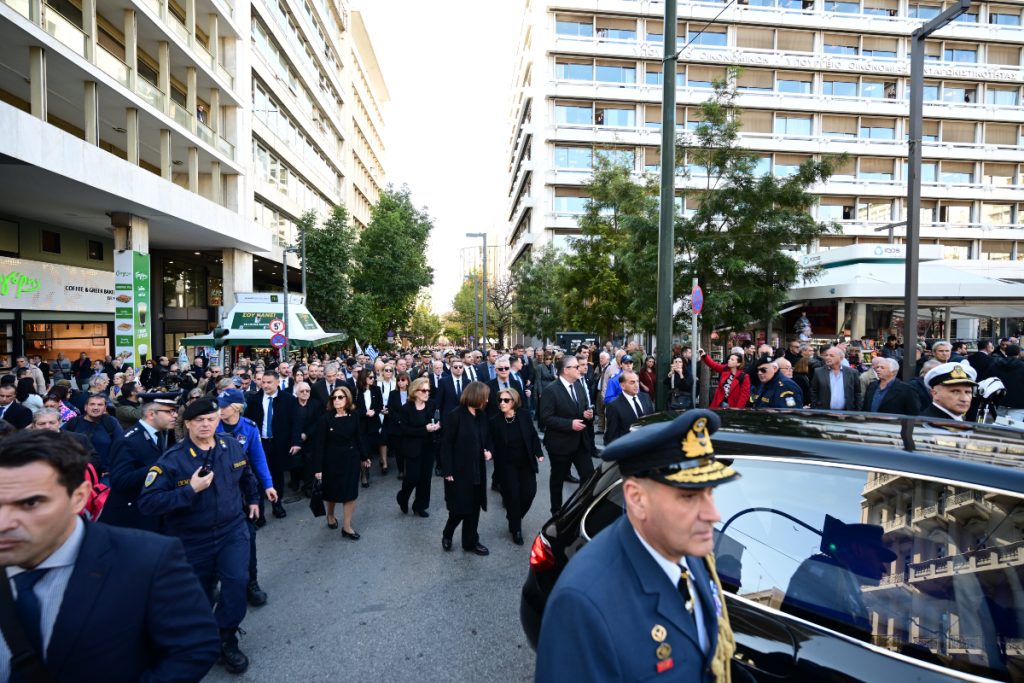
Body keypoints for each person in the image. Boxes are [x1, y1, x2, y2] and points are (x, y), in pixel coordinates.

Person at [535, 410, 740, 682]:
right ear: (637, 499)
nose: (713, 515)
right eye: (689, 498)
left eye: (710, 493)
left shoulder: (689, 547)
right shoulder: (583, 603)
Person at [0, 430, 220, 682]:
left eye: (30, 504)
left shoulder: (148, 558)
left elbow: (194, 647)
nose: (4, 523)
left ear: (78, 497)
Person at [137, 397, 260, 674]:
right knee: (200, 594)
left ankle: (226, 637)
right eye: (199, 420)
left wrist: (253, 499)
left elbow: (246, 474)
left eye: (211, 419)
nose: (206, 424)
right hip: (193, 539)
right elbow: (148, 503)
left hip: (232, 530)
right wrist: (190, 490)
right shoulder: (172, 460)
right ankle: (202, 636)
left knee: (236, 582)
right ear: (188, 424)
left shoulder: (230, 445)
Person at [782, 516, 895, 639]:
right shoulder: (822, 571)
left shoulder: (855, 597)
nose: (884, 568)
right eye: (879, 558)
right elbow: (817, 638)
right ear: (858, 549)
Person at [216, 389, 278, 607]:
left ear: (236, 408)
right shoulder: (212, 425)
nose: (219, 409)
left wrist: (268, 485)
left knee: (248, 539)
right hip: (218, 494)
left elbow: (259, 458)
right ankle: (222, 585)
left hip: (245, 491)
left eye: (223, 406)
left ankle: (252, 583)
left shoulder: (249, 428)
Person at [102, 397, 178, 532]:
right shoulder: (128, 441)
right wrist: (157, 467)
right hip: (129, 519)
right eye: (169, 411)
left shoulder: (159, 434)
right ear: (151, 414)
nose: (175, 415)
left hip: (148, 511)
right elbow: (120, 481)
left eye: (175, 411)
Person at [440, 381, 493, 555]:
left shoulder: (482, 415)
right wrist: (447, 470)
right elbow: (446, 445)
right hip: (459, 471)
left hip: (477, 470)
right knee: (459, 509)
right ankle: (448, 533)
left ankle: (470, 542)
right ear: (476, 396)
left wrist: (489, 451)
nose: (487, 400)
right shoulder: (455, 416)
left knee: (474, 507)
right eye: (484, 397)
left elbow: (487, 438)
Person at [312, 386, 369, 539]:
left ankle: (347, 527)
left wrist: (364, 457)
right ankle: (330, 515)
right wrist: (318, 468)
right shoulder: (325, 419)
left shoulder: (354, 415)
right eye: (334, 398)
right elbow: (319, 445)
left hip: (351, 460)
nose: (336, 400)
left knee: (350, 494)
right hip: (331, 462)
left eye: (340, 397)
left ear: (347, 399)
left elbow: (358, 437)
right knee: (331, 492)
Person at [489, 387, 543, 545]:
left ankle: (514, 516)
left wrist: (538, 452)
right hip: (507, 465)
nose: (502, 403)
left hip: (525, 462)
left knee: (529, 493)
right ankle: (516, 529)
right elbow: (491, 441)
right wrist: (489, 452)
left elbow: (532, 435)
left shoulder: (524, 415)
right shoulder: (495, 421)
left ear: (514, 402)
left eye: (506, 400)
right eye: (500, 400)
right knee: (512, 496)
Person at [244, 371, 301, 519]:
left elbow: (296, 422)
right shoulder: (254, 399)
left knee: (277, 476)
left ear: (277, 383)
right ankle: (260, 514)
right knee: (258, 476)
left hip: (279, 443)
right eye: (263, 382)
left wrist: (296, 442)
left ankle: (277, 505)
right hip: (260, 443)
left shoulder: (288, 399)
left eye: (269, 382)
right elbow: (248, 422)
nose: (265, 385)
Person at [396, 377, 440, 518]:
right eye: (423, 390)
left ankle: (420, 506)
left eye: (428, 390)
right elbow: (404, 430)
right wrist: (424, 429)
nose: (427, 393)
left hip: (428, 446)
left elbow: (437, 419)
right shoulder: (406, 409)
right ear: (415, 392)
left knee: (425, 479)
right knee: (413, 477)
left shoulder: (431, 404)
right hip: (412, 448)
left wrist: (437, 425)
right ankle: (403, 497)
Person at [62, 393, 124, 476]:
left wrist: (112, 467)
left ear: (105, 408)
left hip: (104, 473)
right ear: (85, 407)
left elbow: (121, 445)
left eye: (100, 405)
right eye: (92, 404)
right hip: (77, 472)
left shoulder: (110, 422)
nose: (95, 407)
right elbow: (59, 439)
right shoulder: (74, 422)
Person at [605, 370, 655, 445]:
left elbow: (651, 422)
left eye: (637, 381)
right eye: (632, 382)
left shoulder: (646, 397)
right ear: (622, 386)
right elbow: (612, 435)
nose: (636, 385)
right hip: (628, 447)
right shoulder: (614, 406)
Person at [292, 381, 323, 493]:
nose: (305, 393)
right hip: (294, 439)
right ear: (296, 393)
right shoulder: (291, 404)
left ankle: (308, 487)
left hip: (311, 439)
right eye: (302, 391)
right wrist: (297, 436)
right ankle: (295, 482)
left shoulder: (316, 404)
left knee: (309, 464)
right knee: (295, 463)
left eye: (307, 391)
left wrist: (306, 434)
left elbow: (318, 422)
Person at [354, 371, 385, 485]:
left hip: (373, 424)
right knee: (363, 449)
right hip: (360, 424)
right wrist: (365, 413)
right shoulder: (355, 391)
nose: (373, 379)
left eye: (373, 377)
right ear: (364, 378)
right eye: (371, 377)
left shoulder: (376, 389)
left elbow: (380, 406)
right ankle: (364, 474)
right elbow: (352, 409)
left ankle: (367, 468)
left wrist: (374, 411)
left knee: (370, 448)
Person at [810, 346, 863, 411]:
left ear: (841, 358)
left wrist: (857, 411)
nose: (827, 357)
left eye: (831, 356)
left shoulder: (852, 373)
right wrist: (815, 408)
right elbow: (813, 392)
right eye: (826, 355)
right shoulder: (818, 372)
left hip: (846, 413)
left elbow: (857, 393)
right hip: (824, 412)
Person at [385, 371, 411, 479]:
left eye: (403, 380)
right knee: (399, 450)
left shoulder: (412, 393)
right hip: (397, 426)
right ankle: (401, 470)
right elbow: (391, 409)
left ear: (408, 381)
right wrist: (399, 420)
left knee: (409, 449)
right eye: (398, 380)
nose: (400, 382)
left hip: (410, 425)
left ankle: (409, 470)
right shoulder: (393, 394)